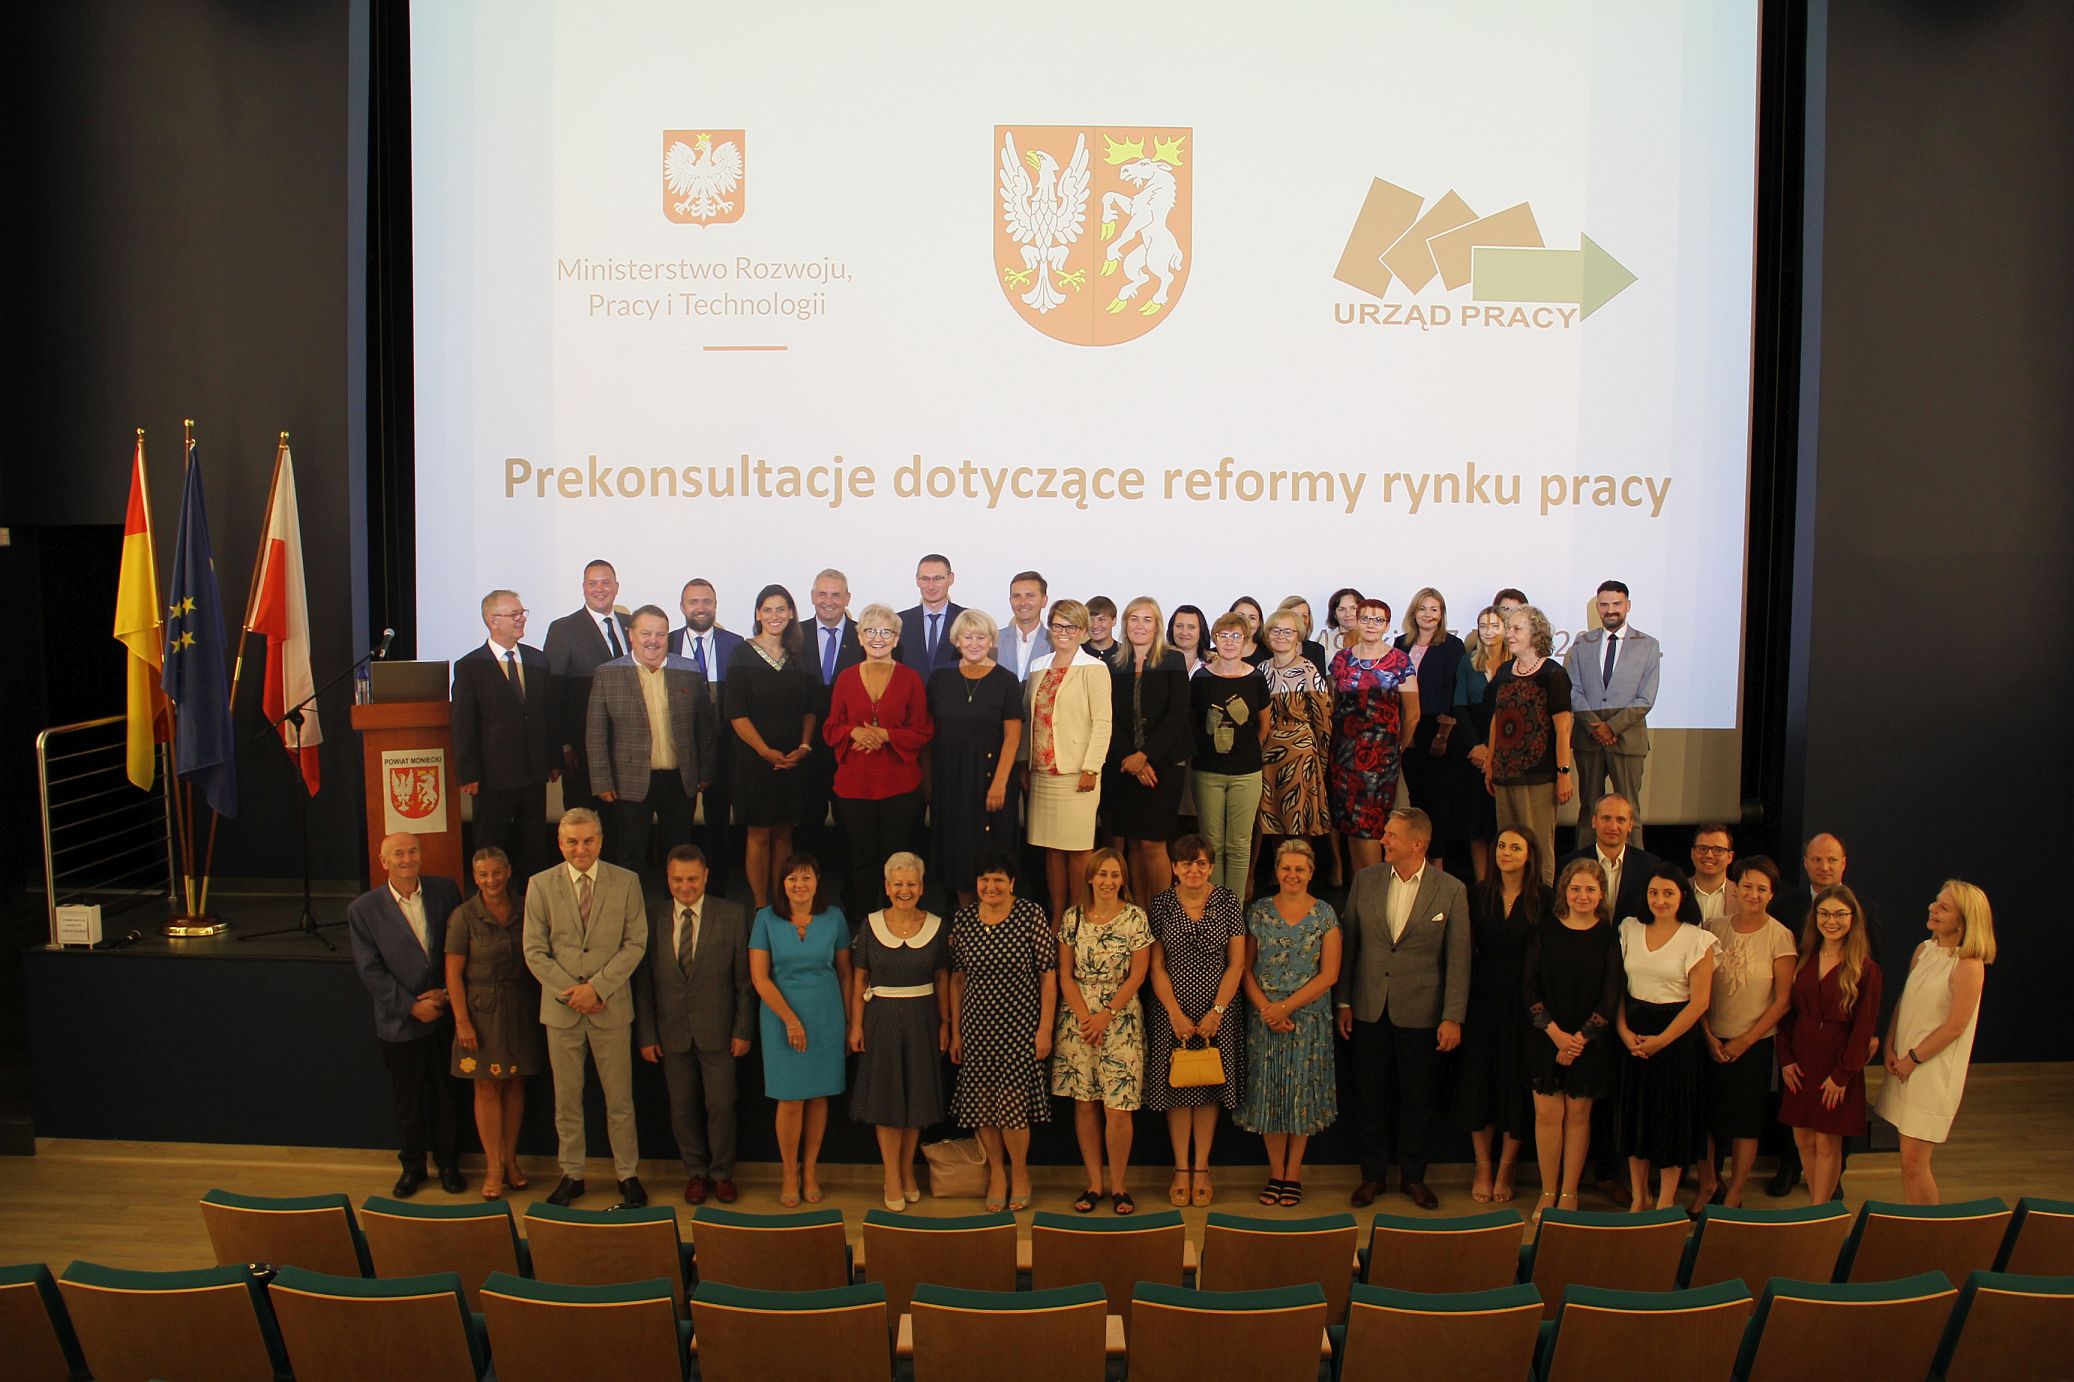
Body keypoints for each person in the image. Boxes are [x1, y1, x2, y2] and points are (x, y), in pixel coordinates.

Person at [1335, 807, 1470, 1211]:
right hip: (1368, 1007)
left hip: (1423, 1013)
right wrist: (1344, 1000)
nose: (1383, 840)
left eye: (1392, 835)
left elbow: (1459, 959)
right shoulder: (1366, 880)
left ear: (1418, 843)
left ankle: (1414, 1178)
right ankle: (1372, 1177)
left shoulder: (1451, 889)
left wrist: (1453, 1016)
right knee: (1369, 1097)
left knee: (1418, 1100)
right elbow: (1350, 945)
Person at [523, 808, 649, 1209]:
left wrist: (597, 989)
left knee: (620, 1100)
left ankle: (627, 1174)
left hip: (610, 1008)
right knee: (567, 1100)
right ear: (560, 844)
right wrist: (573, 993)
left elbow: (635, 942)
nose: (581, 848)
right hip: (562, 1011)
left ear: (601, 841)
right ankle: (572, 1175)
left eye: (588, 840)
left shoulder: (626, 882)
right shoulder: (540, 885)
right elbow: (534, 950)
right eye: (573, 842)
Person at [1768, 831, 1888, 1197]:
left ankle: (1822, 1206)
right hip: (1800, 1057)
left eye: (1839, 914)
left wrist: (1845, 1071)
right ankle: (1808, 1192)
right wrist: (1786, 1058)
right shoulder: (1804, 955)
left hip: (1838, 1058)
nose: (1831, 920)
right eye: (1824, 914)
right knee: (1803, 1137)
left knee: (1827, 1141)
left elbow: (1866, 1015)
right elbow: (1787, 1007)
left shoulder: (1864, 966)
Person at [347, 833, 464, 1197]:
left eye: (412, 851)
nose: (407, 859)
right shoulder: (363, 909)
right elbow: (370, 970)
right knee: (408, 1102)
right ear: (384, 862)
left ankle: (449, 1165)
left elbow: (461, 947)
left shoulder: (445, 891)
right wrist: (412, 1005)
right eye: (398, 854)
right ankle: (413, 1168)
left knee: (448, 1098)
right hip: (400, 1023)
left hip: (444, 1015)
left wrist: (445, 995)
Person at [635, 844, 753, 1206]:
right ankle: (696, 1174)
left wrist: (742, 1030)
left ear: (705, 877)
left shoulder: (732, 915)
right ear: (667, 879)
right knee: (682, 1107)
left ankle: (722, 1174)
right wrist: (647, 1034)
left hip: (719, 1032)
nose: (685, 886)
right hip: (671, 1034)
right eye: (677, 879)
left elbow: (744, 982)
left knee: (721, 1105)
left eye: (692, 879)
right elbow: (645, 984)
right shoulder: (652, 918)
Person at [948, 850, 1058, 1212]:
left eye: (998, 879)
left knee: (1012, 1106)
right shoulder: (964, 919)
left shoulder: (1030, 914)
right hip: (977, 1028)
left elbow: (1048, 975)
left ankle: (1020, 1173)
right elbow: (957, 978)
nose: (990, 886)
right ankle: (996, 1173)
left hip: (1020, 1027)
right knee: (982, 1106)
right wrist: (956, 1032)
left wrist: (1045, 1029)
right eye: (984, 879)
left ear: (1011, 883)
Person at [1143, 834, 1248, 1208]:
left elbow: (1237, 963)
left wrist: (1216, 1013)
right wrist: (1174, 1013)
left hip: (1217, 1010)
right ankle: (1181, 1169)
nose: (1194, 869)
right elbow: (1155, 966)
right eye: (1186, 863)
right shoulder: (1160, 904)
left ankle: (1202, 1168)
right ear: (1174, 867)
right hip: (1172, 1011)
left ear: (1211, 867)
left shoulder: (1228, 901)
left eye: (1201, 863)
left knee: (1207, 1087)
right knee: (1178, 1088)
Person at [1875, 880, 1995, 1204]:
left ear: (1964, 920)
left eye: (1944, 907)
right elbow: (1906, 999)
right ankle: (1916, 1222)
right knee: (1907, 1161)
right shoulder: (1923, 950)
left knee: (1915, 1162)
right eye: (1935, 902)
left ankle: (1929, 1228)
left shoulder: (1968, 965)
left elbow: (1955, 1026)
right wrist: (1890, 1043)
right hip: (1906, 1063)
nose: (1933, 908)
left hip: (1931, 1071)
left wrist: (1913, 1059)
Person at [1237, 839, 1341, 1207]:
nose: (1292, 874)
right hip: (1264, 1019)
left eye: (1299, 868)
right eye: (1286, 868)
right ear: (1276, 871)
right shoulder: (1259, 912)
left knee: (1300, 1098)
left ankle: (1293, 1173)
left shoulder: (1325, 914)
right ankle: (1275, 1173)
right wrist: (1268, 1009)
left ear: (1311, 873)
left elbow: (1329, 974)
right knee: (1270, 1097)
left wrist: (1287, 1008)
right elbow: (1244, 968)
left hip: (1307, 1020)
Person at [1452, 825, 1552, 1206]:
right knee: (1479, 1080)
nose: (1506, 852)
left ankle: (1507, 1167)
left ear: (1530, 856)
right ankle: (1482, 1165)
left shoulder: (1544, 898)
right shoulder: (1477, 894)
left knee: (1516, 1082)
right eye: (1502, 846)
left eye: (1515, 847)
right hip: (1482, 1000)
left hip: (1526, 1004)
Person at [847, 852, 951, 1212]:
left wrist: (945, 1023)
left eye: (911, 884)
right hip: (882, 1020)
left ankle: (907, 1170)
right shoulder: (870, 924)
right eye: (898, 884)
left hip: (923, 1019)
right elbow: (859, 979)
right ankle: (891, 1174)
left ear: (921, 888)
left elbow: (942, 978)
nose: (904, 890)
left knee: (916, 1098)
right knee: (888, 1101)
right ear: (887, 887)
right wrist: (856, 1024)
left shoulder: (937, 926)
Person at [1053, 848, 1154, 1214]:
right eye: (1102, 874)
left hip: (1120, 1018)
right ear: (1090, 878)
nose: (1108, 881)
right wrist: (1085, 1017)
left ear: (1123, 879)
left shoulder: (1135, 918)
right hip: (1078, 1020)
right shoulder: (1072, 917)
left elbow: (1138, 974)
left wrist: (1106, 1015)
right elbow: (1065, 974)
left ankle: (1119, 1186)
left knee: (1118, 1107)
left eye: (1114, 874)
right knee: (1085, 1104)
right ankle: (1094, 1183)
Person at [748, 853, 852, 1206]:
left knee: (819, 1096)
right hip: (781, 1018)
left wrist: (850, 1022)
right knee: (791, 1099)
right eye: (792, 878)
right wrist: (791, 1020)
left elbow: (846, 973)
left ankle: (810, 1171)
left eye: (806, 877)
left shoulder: (834, 917)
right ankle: (789, 1173)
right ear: (782, 884)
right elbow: (759, 978)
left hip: (826, 1016)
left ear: (817, 882)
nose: (799, 884)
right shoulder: (765, 918)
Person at [1524, 858, 1624, 1222]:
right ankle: (1547, 1191)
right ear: (1564, 891)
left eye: (1590, 889)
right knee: (1547, 1116)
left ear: (1601, 895)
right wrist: (1555, 1034)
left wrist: (1579, 1039)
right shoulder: (1545, 929)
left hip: (1589, 1042)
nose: (1582, 895)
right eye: (1575, 888)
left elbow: (1611, 995)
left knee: (1579, 1117)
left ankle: (1569, 1192)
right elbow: (1529, 987)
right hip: (1546, 1037)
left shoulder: (1608, 935)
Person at [1693, 856, 1794, 1210]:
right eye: (1747, 886)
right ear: (1735, 889)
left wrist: (1744, 1041)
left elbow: (1783, 1000)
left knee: (1745, 1124)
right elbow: (1697, 989)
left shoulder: (1780, 936)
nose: (1753, 894)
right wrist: (1708, 1035)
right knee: (1704, 1120)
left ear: (1771, 894)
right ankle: (1708, 1185)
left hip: (1753, 1045)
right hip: (1709, 1039)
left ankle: (1735, 1192)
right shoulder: (1712, 928)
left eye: (1761, 889)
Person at [1614, 866, 1718, 1212]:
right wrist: (1624, 1031)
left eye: (1668, 893)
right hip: (1634, 1035)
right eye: (1654, 893)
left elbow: (1699, 1002)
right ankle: (1639, 1197)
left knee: (1670, 1121)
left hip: (1677, 1039)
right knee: (1636, 1119)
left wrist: (1661, 1040)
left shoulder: (1697, 939)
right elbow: (1619, 988)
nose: (1660, 900)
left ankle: (1666, 1201)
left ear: (1682, 897)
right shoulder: (1629, 928)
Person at [587, 605, 719, 875]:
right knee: (630, 855)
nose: (653, 641)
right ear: (631, 634)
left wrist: (705, 772)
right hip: (629, 781)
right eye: (646, 633)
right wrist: (602, 781)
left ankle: (675, 903)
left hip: (679, 781)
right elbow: (596, 734)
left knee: (679, 856)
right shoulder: (607, 673)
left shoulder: (689, 669)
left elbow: (704, 728)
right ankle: (631, 905)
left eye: (660, 634)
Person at [444, 846, 544, 1200]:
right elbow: (453, 975)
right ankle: (493, 1169)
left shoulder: (527, 907)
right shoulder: (463, 916)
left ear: (508, 871)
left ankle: (511, 1161)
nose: (491, 880)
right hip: (480, 1013)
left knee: (515, 1085)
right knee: (487, 1088)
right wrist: (462, 1022)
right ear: (475, 877)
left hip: (521, 1008)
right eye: (483, 875)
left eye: (497, 873)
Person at [824, 601, 934, 920]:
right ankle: (862, 924)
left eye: (886, 632)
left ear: (896, 639)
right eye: (870, 631)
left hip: (898, 784)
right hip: (854, 784)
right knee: (860, 858)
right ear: (859, 637)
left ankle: (896, 921)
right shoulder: (845, 678)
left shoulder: (911, 679)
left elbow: (923, 730)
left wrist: (886, 735)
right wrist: (854, 731)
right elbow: (830, 728)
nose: (877, 638)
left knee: (895, 858)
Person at [452, 590, 557, 881]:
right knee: (491, 847)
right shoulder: (470, 666)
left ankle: (530, 902)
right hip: (492, 778)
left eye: (522, 613)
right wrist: (468, 772)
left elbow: (546, 714)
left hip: (533, 773)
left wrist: (553, 760)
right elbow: (463, 724)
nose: (521, 619)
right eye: (514, 614)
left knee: (533, 847)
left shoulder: (538, 660)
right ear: (492, 620)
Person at [1021, 599, 1113, 926]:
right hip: (1043, 771)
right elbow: (1029, 717)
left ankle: (1078, 916)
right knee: (1051, 849)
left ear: (1083, 631)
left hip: (1077, 773)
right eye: (1058, 625)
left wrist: (1091, 767)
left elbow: (1102, 722)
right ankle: (1058, 914)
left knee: (1078, 850)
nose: (1063, 632)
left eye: (1071, 626)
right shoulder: (1038, 666)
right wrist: (1024, 763)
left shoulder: (1094, 668)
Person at [726, 585, 818, 908]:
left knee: (784, 832)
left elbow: (811, 708)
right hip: (754, 759)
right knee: (759, 833)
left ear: (791, 613)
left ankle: (782, 902)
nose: (774, 616)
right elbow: (736, 713)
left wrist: (804, 747)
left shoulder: (801, 656)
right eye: (767, 610)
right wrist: (764, 751)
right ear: (757, 614)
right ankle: (760, 905)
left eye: (781, 609)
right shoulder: (741, 653)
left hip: (792, 760)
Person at [927, 609, 1023, 907]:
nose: (974, 643)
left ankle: (994, 918)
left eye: (981, 637)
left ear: (991, 640)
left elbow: (1013, 737)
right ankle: (963, 920)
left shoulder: (1006, 680)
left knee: (987, 854)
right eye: (967, 637)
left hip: (990, 780)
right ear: (957, 641)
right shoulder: (940, 678)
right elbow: (928, 732)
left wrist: (999, 784)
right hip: (950, 781)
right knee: (956, 854)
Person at [1105, 597, 1192, 908]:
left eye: (1147, 619)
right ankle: (1141, 913)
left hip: (1164, 765)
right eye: (1134, 619)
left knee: (1153, 843)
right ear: (1125, 624)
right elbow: (1108, 716)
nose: (1139, 625)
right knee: (1134, 843)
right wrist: (1132, 758)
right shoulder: (1114, 663)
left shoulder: (1172, 659)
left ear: (1157, 626)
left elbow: (1177, 715)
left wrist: (1146, 757)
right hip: (1126, 765)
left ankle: (1163, 912)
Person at [1565, 581, 1661, 848]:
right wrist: (1594, 726)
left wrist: (1613, 727)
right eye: (1604, 604)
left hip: (1628, 739)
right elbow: (1573, 689)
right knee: (1589, 809)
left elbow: (1646, 697)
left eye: (1617, 604)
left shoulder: (1648, 645)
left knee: (1629, 811)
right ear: (1598, 607)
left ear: (1628, 606)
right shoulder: (1582, 644)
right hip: (1588, 738)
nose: (1610, 610)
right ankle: (1584, 866)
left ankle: (1634, 869)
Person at [1481, 605, 1572, 886]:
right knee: (1507, 847)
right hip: (1504, 774)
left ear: (1536, 634)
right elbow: (1497, 719)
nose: (1509, 634)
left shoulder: (1553, 674)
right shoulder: (1505, 671)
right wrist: (1490, 763)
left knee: (1537, 848)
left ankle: (1541, 901)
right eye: (1508, 628)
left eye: (1517, 629)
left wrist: (1564, 772)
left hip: (1539, 776)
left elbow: (1563, 727)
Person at [1329, 598, 1420, 876]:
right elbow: (1333, 706)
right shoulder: (1342, 660)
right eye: (1366, 618)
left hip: (1380, 760)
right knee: (1350, 824)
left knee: (1369, 826)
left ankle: (1375, 892)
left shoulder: (1399, 661)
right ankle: (1359, 890)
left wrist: (1397, 748)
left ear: (1387, 626)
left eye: (1378, 620)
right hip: (1344, 758)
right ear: (1357, 621)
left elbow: (1413, 714)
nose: (1371, 624)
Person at [670, 578, 745, 890]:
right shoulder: (667, 642)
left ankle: (718, 892)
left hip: (724, 749)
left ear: (715, 605)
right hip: (678, 748)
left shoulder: (736, 644)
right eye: (693, 602)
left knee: (718, 824)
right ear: (682, 607)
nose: (700, 608)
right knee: (677, 824)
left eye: (706, 602)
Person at [1192, 613, 1272, 898]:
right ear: (1215, 639)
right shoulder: (1200, 678)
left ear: (1245, 640)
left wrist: (1246, 751)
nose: (1229, 641)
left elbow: (1264, 725)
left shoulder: (1256, 678)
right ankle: (1213, 905)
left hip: (1246, 772)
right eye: (1223, 636)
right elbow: (1193, 723)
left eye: (1236, 636)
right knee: (1212, 844)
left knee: (1239, 845)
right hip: (1208, 771)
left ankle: (1234, 909)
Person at [543, 559, 630, 809]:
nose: (599, 589)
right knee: (584, 821)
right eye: (592, 583)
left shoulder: (633, 623)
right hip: (582, 752)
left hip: (629, 752)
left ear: (616, 587)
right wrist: (563, 745)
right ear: (583, 588)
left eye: (606, 583)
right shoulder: (563, 629)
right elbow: (553, 695)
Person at [1394, 588, 1468, 872]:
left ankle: (1437, 864)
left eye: (1434, 609)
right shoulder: (1400, 643)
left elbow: (1453, 691)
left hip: (1438, 729)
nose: (1428, 614)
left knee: (1438, 801)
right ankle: (1417, 859)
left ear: (1441, 614)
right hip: (1407, 728)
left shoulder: (1452, 645)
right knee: (1416, 799)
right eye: (1422, 609)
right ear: (1414, 613)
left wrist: (1443, 733)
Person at [1255, 609, 1333, 876]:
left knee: (1298, 820)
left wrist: (1322, 760)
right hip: (1268, 755)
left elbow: (1323, 719)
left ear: (1298, 637)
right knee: (1273, 819)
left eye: (1288, 631)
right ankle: (1280, 877)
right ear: (1267, 635)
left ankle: (1301, 878)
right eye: (1275, 630)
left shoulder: (1308, 670)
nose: (1281, 636)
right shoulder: (1262, 669)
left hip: (1299, 754)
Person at [801, 567, 864, 858]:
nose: (829, 601)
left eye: (836, 595)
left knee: (850, 826)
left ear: (848, 598)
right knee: (807, 825)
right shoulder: (794, 635)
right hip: (805, 746)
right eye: (823, 594)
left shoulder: (864, 636)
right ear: (813, 596)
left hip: (851, 746)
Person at [1454, 605, 1506, 879]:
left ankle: (1503, 882)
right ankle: (1482, 883)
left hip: (1507, 751)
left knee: (1501, 822)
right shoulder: (1467, 661)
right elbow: (1460, 706)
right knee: (1476, 822)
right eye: (1483, 626)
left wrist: (1493, 751)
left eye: (1495, 625)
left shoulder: (1515, 664)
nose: (1488, 631)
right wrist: (1479, 747)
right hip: (1474, 751)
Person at [1558, 794, 1661, 927]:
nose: (1613, 827)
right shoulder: (1569, 863)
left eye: (1620, 820)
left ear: (1630, 825)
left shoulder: (1650, 865)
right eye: (1606, 818)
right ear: (1594, 822)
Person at [898, 552, 965, 674]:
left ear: (951, 578)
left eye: (937, 578)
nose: (931, 586)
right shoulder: (900, 622)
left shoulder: (966, 620)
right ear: (917, 580)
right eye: (925, 579)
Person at [1002, 570, 1050, 681]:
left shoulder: (1055, 643)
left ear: (1044, 601)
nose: (1022, 602)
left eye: (1030, 596)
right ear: (1010, 601)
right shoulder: (993, 641)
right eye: (1016, 596)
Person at [1271, 595, 1330, 679]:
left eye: (1304, 616)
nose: (1300, 620)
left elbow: (1320, 683)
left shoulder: (1317, 649)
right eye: (1294, 615)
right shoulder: (1268, 649)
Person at [1690, 824, 1739, 921]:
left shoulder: (1742, 895)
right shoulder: (1678, 891)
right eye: (1702, 848)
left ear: (1730, 857)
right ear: (1692, 853)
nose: (1709, 855)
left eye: (1718, 850)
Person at [1167, 603, 1209, 676]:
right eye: (1179, 626)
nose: (1184, 632)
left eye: (1191, 627)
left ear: (1201, 630)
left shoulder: (1214, 664)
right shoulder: (1158, 662)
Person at [1321, 587, 1362, 661]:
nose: (1348, 614)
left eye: (1353, 608)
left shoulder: (1373, 637)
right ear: (1334, 614)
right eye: (1342, 609)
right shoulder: (1324, 641)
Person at [1227, 596, 1265, 663]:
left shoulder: (1268, 657)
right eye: (1240, 616)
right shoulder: (1212, 656)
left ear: (1259, 623)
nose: (1246, 622)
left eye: (1252, 618)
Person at [1084, 595, 1120, 662]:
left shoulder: (1126, 654)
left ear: (1114, 621)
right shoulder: (1077, 653)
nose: (1095, 626)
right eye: (1090, 620)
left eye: (1101, 619)